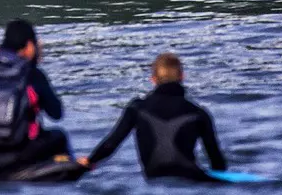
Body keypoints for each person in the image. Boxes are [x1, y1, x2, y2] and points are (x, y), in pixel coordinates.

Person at [81, 52, 226, 179]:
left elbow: (111, 143)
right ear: (182, 77)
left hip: (154, 178)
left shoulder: (137, 108)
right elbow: (217, 161)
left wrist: (90, 161)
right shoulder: (199, 113)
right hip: (192, 178)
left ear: (153, 79)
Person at [0, 19, 71, 176]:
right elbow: (56, 114)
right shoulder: (31, 72)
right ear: (30, 46)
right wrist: (36, 63)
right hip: (17, 157)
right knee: (59, 136)